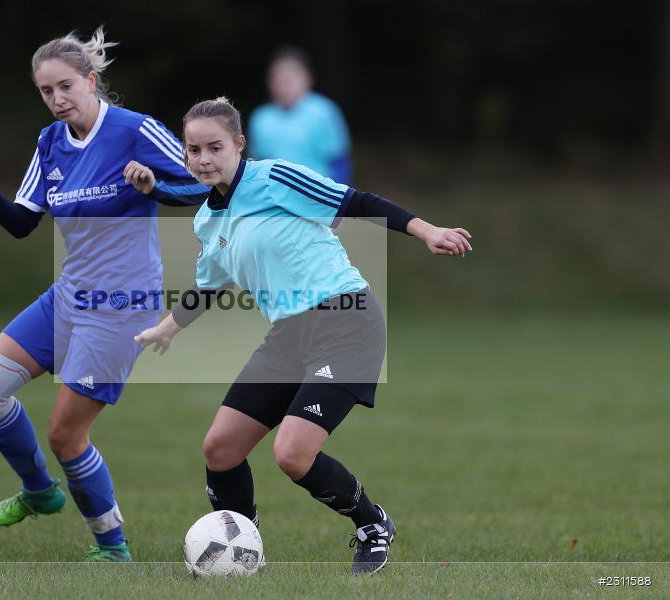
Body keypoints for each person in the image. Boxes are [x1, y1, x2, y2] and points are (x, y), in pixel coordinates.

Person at [134, 97, 471, 574]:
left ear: (238, 145)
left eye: (214, 147)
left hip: (346, 322)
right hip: (289, 335)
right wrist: (168, 328)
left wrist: (425, 230)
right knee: (220, 448)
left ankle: (373, 524)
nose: (204, 159)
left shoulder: (273, 178)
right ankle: (245, 549)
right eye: (194, 150)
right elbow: (210, 286)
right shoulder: (207, 220)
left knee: (292, 454)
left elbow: (358, 202)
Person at [0, 28, 207, 563]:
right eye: (46, 92)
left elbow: (206, 184)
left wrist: (153, 189)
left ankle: (113, 548)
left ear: (91, 81)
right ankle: (41, 492)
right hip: (67, 297)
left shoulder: (134, 130)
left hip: (122, 308)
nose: (57, 100)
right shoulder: (50, 142)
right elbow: (24, 223)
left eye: (65, 87)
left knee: (66, 434)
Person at [248, 47, 352, 183]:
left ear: (308, 79)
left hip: (319, 192)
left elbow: (339, 160)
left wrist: (336, 197)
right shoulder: (261, 118)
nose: (285, 84)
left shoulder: (323, 111)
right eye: (279, 78)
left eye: (292, 77)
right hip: (274, 195)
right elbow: (256, 163)